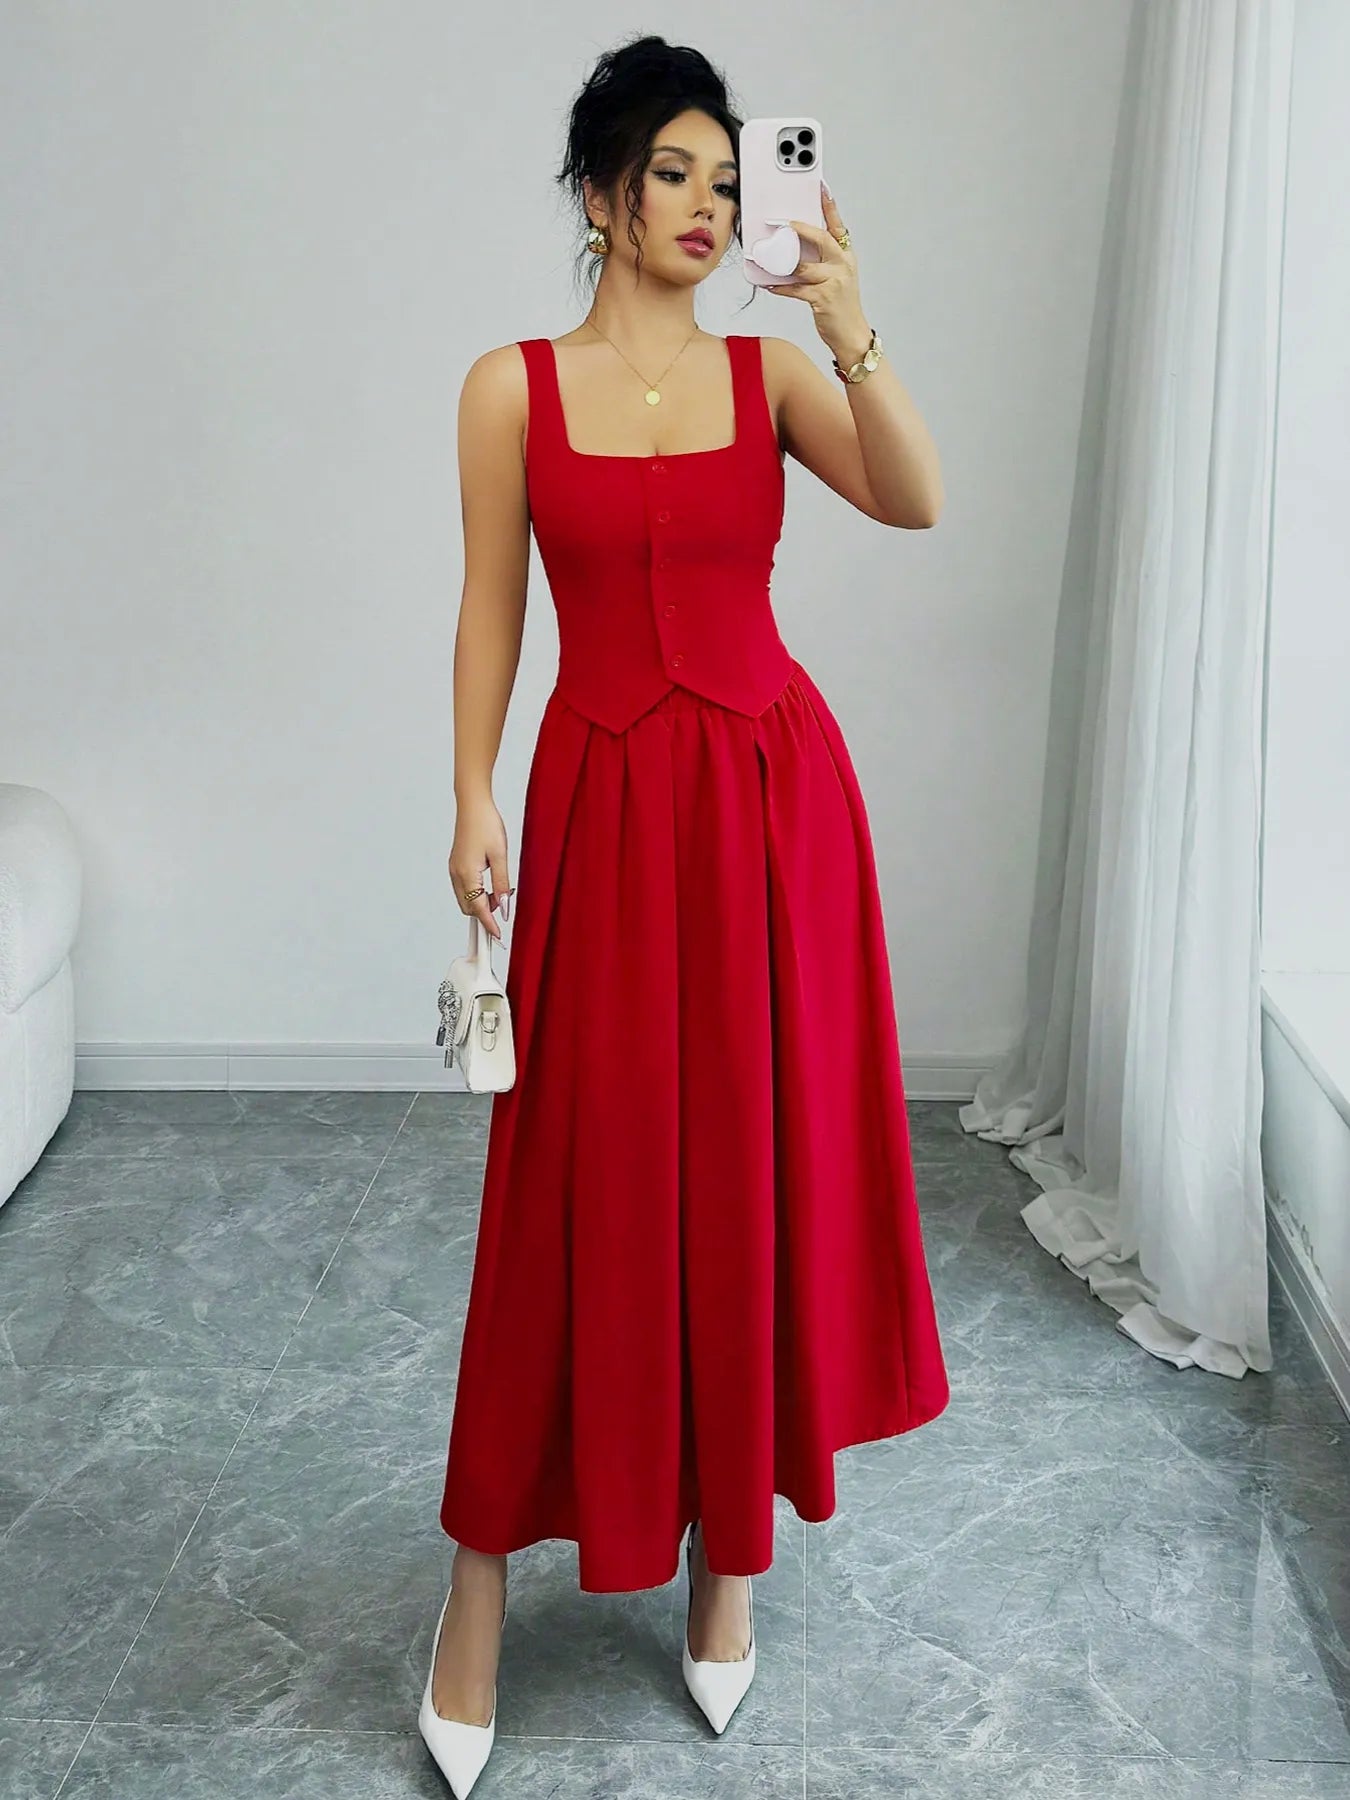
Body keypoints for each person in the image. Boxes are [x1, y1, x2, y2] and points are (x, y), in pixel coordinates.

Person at [417, 32, 951, 1796]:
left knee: (748, 1174)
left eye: (729, 181)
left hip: (770, 810)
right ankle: (474, 1598)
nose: (710, 208)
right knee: (571, 1188)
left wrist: (851, 315)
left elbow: (916, 493)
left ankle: (733, 1564)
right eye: (673, 174)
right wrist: (473, 791)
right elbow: (492, 606)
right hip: (595, 804)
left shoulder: (775, 373)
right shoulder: (509, 386)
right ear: (597, 192)